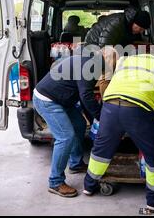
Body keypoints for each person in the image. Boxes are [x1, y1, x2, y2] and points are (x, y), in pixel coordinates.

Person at [83, 53, 154, 214]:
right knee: (153, 152)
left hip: (110, 106)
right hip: (137, 110)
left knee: (101, 149)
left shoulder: (124, 61)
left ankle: (89, 186)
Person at [32, 50, 107, 198]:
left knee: (79, 124)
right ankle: (55, 182)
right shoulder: (90, 66)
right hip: (47, 100)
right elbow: (86, 96)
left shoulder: (87, 61)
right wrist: (100, 118)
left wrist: (95, 121)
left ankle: (75, 163)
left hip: (61, 99)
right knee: (66, 137)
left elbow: (84, 96)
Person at [85, 7, 151, 95]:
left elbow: (125, 45)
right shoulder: (117, 22)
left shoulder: (129, 28)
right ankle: (106, 101)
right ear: (134, 22)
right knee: (108, 73)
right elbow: (105, 44)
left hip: (109, 45)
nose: (140, 31)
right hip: (94, 44)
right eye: (140, 28)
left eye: (143, 30)